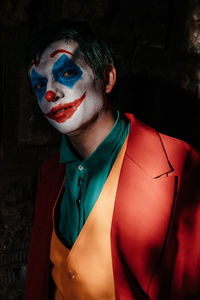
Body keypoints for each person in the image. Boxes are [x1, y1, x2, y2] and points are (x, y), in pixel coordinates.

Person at [26, 19, 200, 300]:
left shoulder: (183, 164)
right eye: (38, 84)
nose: (50, 93)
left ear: (107, 78)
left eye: (67, 72)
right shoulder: (49, 173)